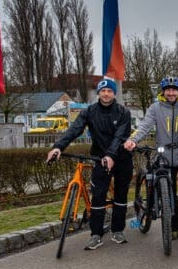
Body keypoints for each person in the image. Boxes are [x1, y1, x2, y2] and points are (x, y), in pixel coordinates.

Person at [46, 78, 133, 250]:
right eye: (103, 91)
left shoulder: (123, 112)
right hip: (99, 159)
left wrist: (111, 155)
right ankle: (96, 234)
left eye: (109, 91)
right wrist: (58, 147)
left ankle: (117, 230)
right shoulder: (89, 112)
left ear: (114, 93)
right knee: (98, 196)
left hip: (122, 158)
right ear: (98, 93)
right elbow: (75, 129)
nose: (106, 94)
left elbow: (120, 137)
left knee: (121, 196)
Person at [123, 76, 178, 243]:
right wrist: (133, 140)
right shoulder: (156, 107)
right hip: (165, 157)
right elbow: (145, 125)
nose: (171, 92)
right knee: (169, 195)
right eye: (168, 89)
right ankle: (175, 228)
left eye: (174, 89)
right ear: (163, 91)